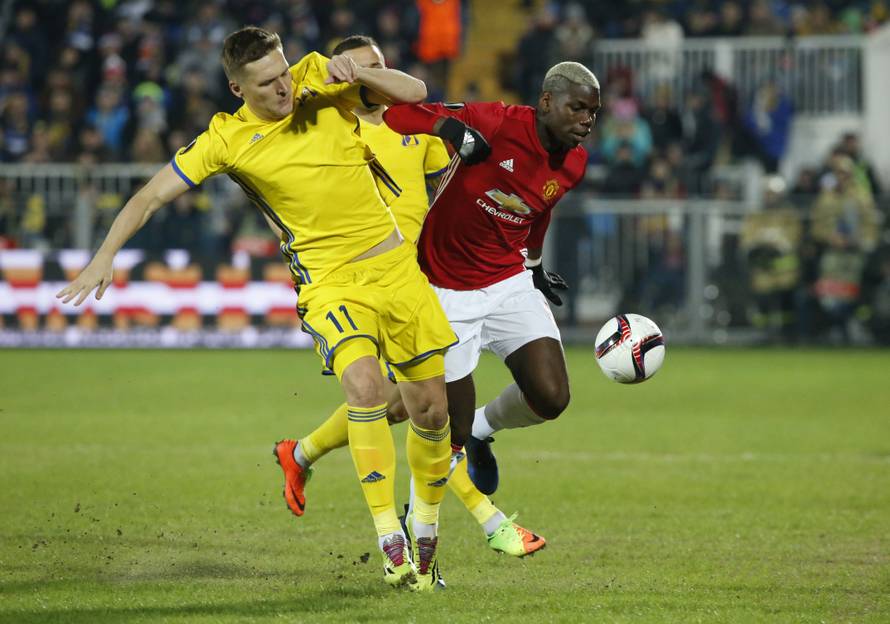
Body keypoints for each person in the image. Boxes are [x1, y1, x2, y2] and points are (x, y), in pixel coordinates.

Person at [56, 26, 456, 591]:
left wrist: (360, 73)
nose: (283, 88)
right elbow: (148, 196)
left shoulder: (317, 77)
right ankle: (391, 537)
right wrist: (103, 256)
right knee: (364, 388)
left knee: (431, 412)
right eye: (267, 83)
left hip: (396, 269)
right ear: (237, 88)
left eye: (284, 72)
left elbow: (414, 92)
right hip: (330, 283)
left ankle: (428, 538)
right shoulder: (224, 140)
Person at [273, 36, 546, 574]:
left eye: (382, 66)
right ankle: (485, 524)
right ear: (344, 74)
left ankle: (300, 454)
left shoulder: (413, 127)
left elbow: (457, 180)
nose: (377, 75)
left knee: (405, 405)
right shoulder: (329, 128)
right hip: (350, 282)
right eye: (365, 68)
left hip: (410, 282)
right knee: (405, 404)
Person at [382, 61, 601, 495]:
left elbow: (539, 210)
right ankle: (417, 519)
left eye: (593, 113)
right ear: (546, 102)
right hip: (445, 290)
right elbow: (396, 116)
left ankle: (486, 429)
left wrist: (534, 267)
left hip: (507, 283)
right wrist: (449, 129)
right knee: (450, 430)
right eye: (577, 108)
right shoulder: (494, 121)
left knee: (552, 398)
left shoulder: (575, 163)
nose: (586, 121)